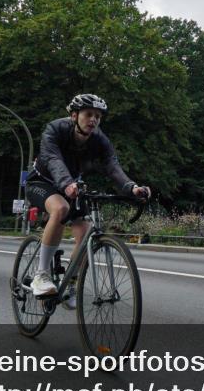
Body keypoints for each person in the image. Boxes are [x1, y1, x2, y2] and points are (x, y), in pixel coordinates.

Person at [24, 94, 150, 307]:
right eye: (89, 114)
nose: (94, 120)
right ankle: (42, 275)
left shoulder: (99, 140)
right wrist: (66, 183)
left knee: (85, 233)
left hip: (71, 185)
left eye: (98, 116)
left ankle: (71, 283)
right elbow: (53, 159)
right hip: (42, 182)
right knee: (61, 208)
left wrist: (132, 188)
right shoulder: (54, 129)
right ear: (74, 115)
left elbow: (112, 166)